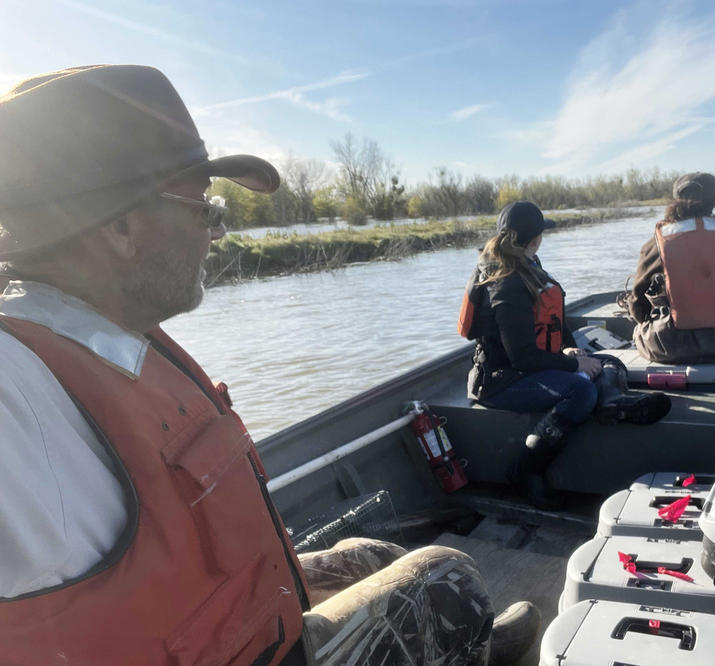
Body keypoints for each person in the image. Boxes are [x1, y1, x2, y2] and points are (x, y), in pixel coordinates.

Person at [0, 65, 536, 666]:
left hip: (220, 625)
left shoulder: (107, 334)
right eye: (206, 209)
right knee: (446, 580)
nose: (216, 234)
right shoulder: (13, 390)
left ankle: (479, 649)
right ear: (120, 226)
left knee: (371, 557)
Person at [463, 201, 603, 507]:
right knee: (580, 389)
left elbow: (550, 319)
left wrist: (568, 346)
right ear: (535, 238)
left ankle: (619, 407)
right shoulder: (507, 284)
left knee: (603, 365)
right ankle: (525, 470)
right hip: (500, 383)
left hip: (524, 371)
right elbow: (522, 357)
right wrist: (573, 363)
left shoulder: (528, 265)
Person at [625, 172, 715, 364]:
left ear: (676, 199)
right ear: (714, 201)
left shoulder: (658, 240)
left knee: (639, 330)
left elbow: (638, 304)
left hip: (667, 346)